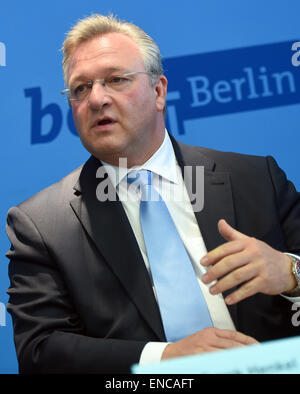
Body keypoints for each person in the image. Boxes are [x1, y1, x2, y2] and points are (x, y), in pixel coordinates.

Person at [6, 14, 300, 374]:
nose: (97, 99)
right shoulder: (40, 225)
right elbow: (41, 351)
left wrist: (291, 273)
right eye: (80, 89)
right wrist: (164, 360)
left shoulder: (257, 179)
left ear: (159, 91)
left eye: (116, 79)